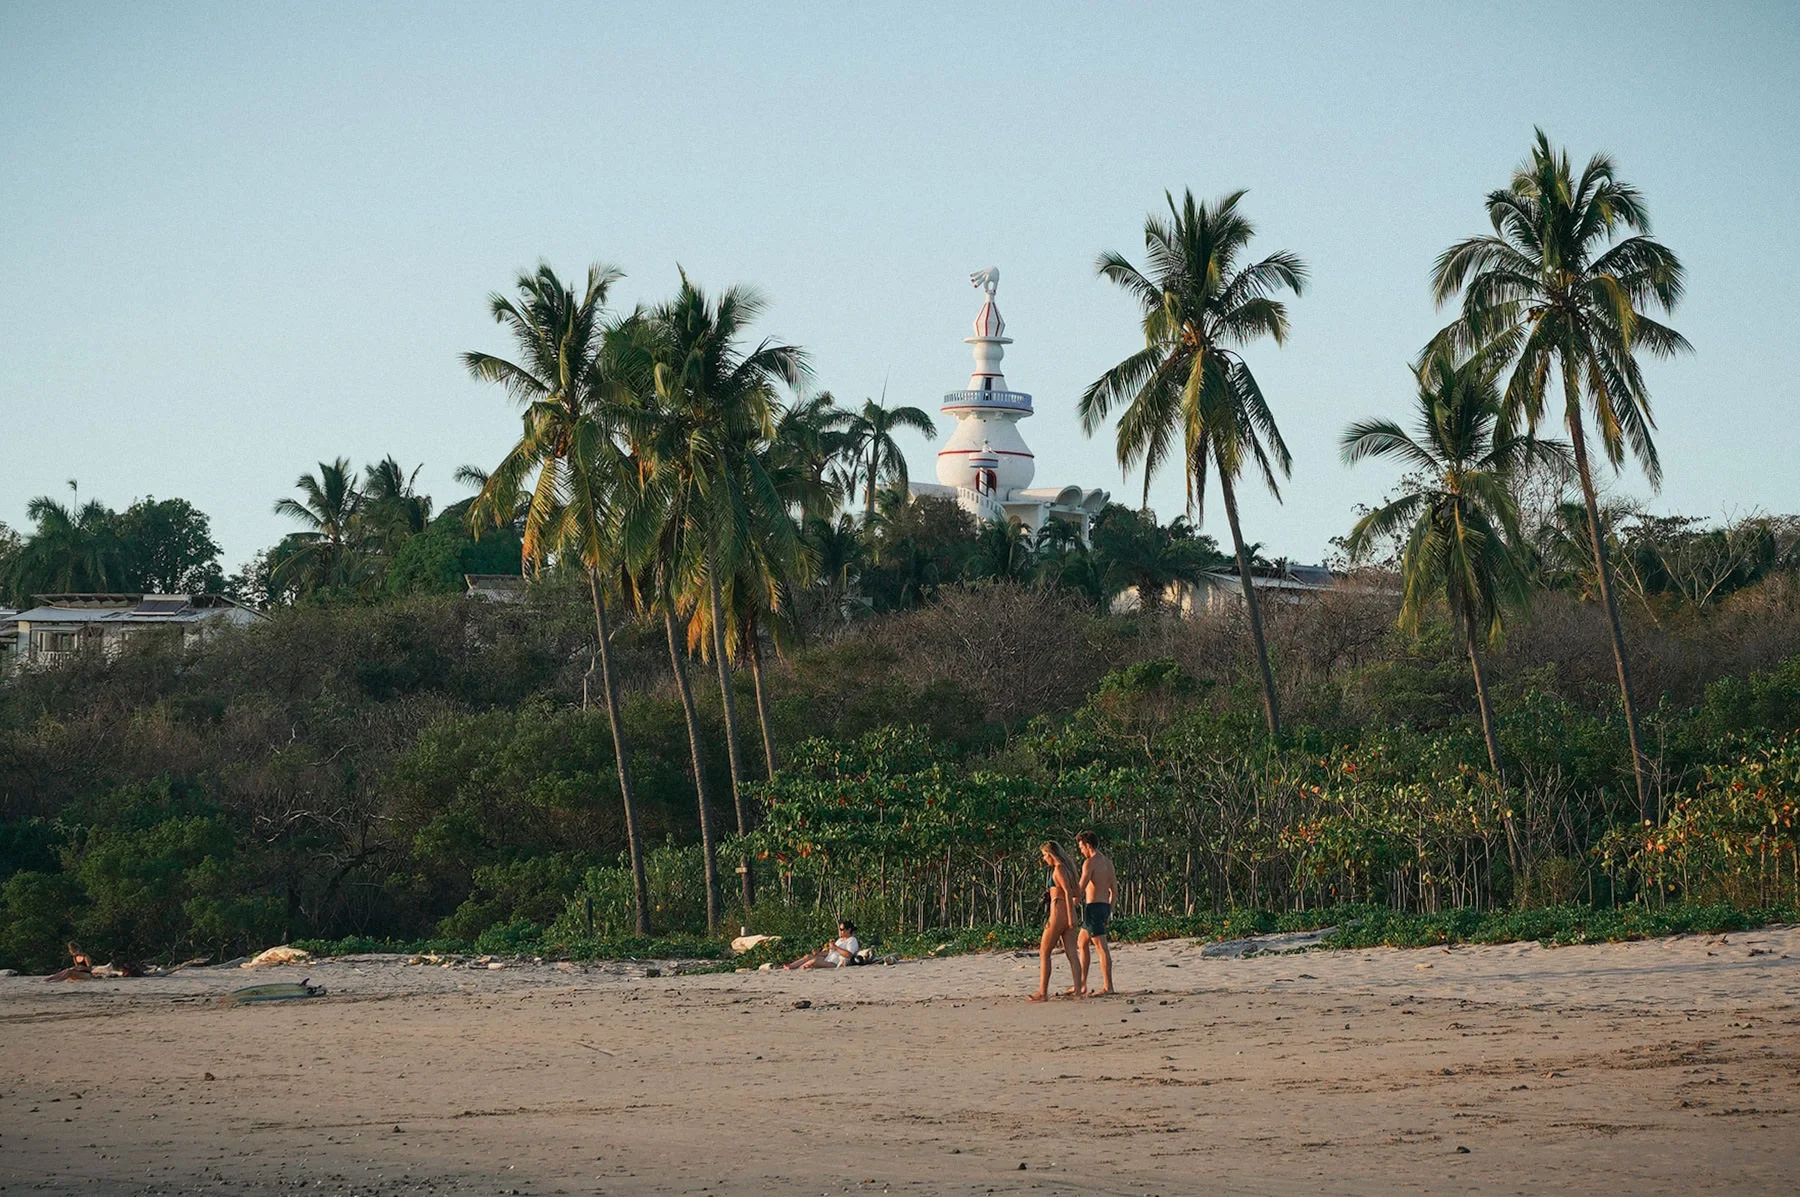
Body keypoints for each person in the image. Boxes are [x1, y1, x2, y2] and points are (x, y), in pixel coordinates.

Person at [1028, 841, 1083, 1002]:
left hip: (1058, 913)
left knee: (1044, 951)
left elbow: (1066, 892)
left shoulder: (1058, 870)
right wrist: (1072, 912)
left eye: (1045, 856)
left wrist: (1069, 913)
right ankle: (1078, 990)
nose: (1044, 859)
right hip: (1067, 912)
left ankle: (1043, 991)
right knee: (1072, 953)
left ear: (1051, 855)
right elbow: (1076, 893)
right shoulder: (1069, 869)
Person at [1075, 831, 1117, 995]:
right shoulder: (1108, 863)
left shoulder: (1090, 863)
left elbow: (1080, 888)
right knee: (1081, 942)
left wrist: (1067, 901)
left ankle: (1108, 987)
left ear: (1087, 845)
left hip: (1094, 908)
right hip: (1103, 907)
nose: (1081, 851)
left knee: (1101, 948)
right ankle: (1082, 983)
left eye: (1081, 847)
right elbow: (1114, 892)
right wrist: (1108, 911)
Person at [784, 920, 860, 970]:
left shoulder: (852, 940)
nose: (840, 931)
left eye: (842, 929)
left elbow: (849, 955)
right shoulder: (840, 940)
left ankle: (800, 968)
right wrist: (819, 953)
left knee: (814, 961)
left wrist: (836, 947)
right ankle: (791, 966)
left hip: (835, 963)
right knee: (809, 956)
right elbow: (830, 952)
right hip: (828, 959)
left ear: (849, 930)